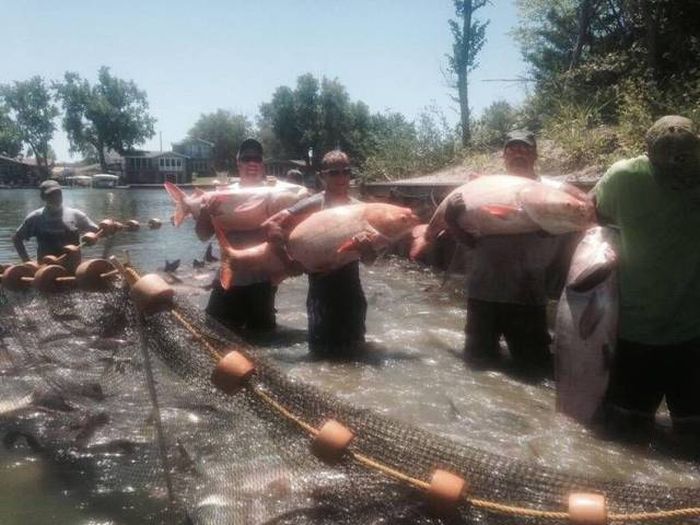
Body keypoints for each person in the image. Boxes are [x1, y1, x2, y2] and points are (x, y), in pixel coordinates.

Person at [594, 115, 700, 442]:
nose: (677, 177)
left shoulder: (621, 177)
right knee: (624, 438)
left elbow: (594, 212)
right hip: (633, 334)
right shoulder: (623, 177)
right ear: (648, 154)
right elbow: (593, 214)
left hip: (691, 334)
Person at [446, 130, 573, 379]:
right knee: (477, 372)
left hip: (527, 296)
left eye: (525, 149)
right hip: (483, 294)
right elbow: (470, 242)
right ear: (504, 156)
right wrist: (452, 222)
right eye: (512, 149)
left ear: (535, 154)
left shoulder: (551, 191)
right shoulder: (487, 189)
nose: (518, 154)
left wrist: (551, 229)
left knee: (534, 373)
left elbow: (568, 223)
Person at [266, 150, 374, 356]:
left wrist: (366, 247)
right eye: (334, 173)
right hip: (320, 293)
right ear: (322, 176)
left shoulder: (362, 209)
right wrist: (288, 263)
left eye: (346, 171)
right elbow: (272, 226)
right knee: (320, 355)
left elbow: (370, 261)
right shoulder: (313, 204)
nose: (342, 177)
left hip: (352, 292)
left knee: (357, 353)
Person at [199, 138, 277, 332]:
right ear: (238, 162)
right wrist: (204, 214)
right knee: (213, 339)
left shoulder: (276, 194)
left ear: (262, 164)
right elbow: (202, 235)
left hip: (262, 283)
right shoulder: (221, 195)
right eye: (246, 158)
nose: (252, 163)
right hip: (228, 280)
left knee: (263, 345)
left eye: (257, 159)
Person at [13, 180, 98, 264]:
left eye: (58, 194)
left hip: (73, 267)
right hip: (46, 270)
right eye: (51, 195)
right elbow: (17, 239)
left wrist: (95, 236)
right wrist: (27, 262)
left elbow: (99, 231)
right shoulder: (35, 218)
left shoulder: (76, 215)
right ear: (43, 197)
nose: (56, 198)